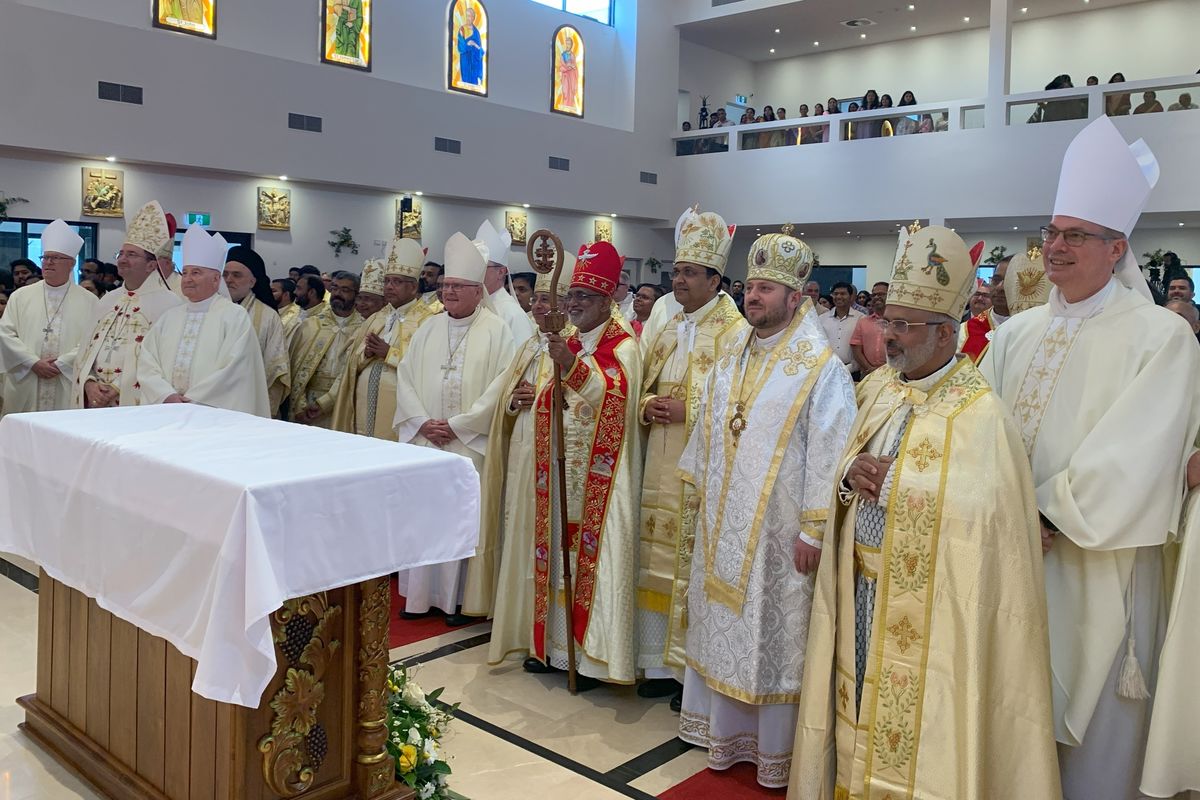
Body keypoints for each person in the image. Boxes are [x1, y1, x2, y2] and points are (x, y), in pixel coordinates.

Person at [790, 223, 1061, 800]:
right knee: (856, 701)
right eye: (888, 321)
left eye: (903, 326)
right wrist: (849, 473)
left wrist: (898, 485)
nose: (888, 337)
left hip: (933, 613)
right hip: (859, 588)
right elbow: (845, 463)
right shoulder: (879, 389)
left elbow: (989, 516)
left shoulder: (979, 411)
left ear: (946, 332)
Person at [979, 116, 1200, 800]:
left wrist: (1042, 515)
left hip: (1098, 563)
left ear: (1117, 248)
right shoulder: (1016, 332)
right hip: (1012, 555)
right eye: (1051, 232)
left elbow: (1138, 453)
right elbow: (973, 426)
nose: (1056, 247)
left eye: (1076, 234)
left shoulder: (1160, 337)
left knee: (1097, 745)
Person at [678, 226, 855, 788]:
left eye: (767, 289)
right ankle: (721, 735)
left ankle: (771, 750)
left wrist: (814, 530)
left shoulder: (819, 367)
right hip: (722, 519)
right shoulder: (731, 355)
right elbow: (711, 426)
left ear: (796, 298)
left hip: (781, 536)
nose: (753, 297)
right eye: (750, 287)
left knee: (771, 634)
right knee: (723, 622)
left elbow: (831, 449)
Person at [505, 240, 641, 689]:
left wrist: (573, 370)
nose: (575, 305)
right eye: (572, 297)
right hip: (561, 473)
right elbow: (550, 393)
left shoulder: (623, 344)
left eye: (584, 297)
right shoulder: (570, 339)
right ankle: (554, 649)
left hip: (602, 480)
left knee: (591, 561)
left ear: (607, 300)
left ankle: (593, 659)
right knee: (556, 556)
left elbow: (618, 400)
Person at [636, 208, 748, 708]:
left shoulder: (735, 332)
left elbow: (743, 404)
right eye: (675, 272)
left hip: (701, 469)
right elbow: (642, 384)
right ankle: (655, 662)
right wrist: (647, 405)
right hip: (658, 456)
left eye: (688, 273)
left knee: (690, 563)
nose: (677, 280)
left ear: (714, 279)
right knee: (653, 556)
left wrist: (689, 408)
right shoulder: (667, 324)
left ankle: (688, 672)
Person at [394, 232, 516, 626]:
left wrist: (460, 426)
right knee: (423, 519)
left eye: (457, 287)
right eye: (444, 285)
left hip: (467, 447)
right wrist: (421, 421)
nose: (447, 292)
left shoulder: (498, 332)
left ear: (478, 291)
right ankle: (420, 597)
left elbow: (502, 384)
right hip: (426, 442)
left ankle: (458, 601)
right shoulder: (428, 329)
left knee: (462, 523)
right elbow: (406, 377)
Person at [483, 265, 575, 658]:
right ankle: (518, 625)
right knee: (518, 535)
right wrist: (513, 401)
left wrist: (534, 399)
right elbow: (506, 396)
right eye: (537, 299)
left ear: (568, 305)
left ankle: (544, 635)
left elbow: (578, 400)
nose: (540, 306)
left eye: (549, 299)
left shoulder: (575, 347)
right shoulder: (528, 346)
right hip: (522, 452)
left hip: (551, 461)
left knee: (544, 543)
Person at [137, 226, 269, 416]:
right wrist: (166, 395)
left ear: (216, 279)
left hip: (211, 413)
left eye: (196, 272)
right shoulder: (169, 317)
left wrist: (194, 400)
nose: (188, 279)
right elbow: (147, 360)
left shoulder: (234, 316)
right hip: (166, 409)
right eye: (185, 272)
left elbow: (235, 369)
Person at [73, 201, 182, 408]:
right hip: (95, 399)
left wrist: (117, 387)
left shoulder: (170, 304)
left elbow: (165, 362)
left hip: (133, 404)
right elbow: (85, 350)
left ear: (152, 265)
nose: (122, 259)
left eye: (131, 255)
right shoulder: (108, 299)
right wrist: (88, 382)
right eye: (121, 254)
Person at [331, 237, 437, 440]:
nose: (389, 287)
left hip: (400, 405)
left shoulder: (428, 320)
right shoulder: (377, 318)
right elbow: (353, 361)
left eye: (397, 282)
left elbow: (429, 367)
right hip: (363, 402)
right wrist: (366, 354)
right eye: (387, 281)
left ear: (413, 287)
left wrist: (389, 353)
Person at [0, 220, 97, 415]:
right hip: (26, 379)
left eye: (55, 258)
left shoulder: (90, 301)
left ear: (71, 263)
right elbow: (6, 333)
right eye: (45, 257)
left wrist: (62, 364)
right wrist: (32, 362)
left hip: (65, 380)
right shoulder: (21, 296)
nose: (48, 262)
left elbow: (92, 341)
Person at [287, 271, 364, 427]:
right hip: (308, 403)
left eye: (345, 290)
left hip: (343, 402)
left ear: (356, 294)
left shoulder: (363, 328)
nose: (337, 293)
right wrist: (299, 406)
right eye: (334, 288)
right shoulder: (311, 325)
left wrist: (326, 403)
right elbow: (294, 368)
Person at [224, 245, 290, 416]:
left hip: (251, 402)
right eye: (225, 274)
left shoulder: (268, 317)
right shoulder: (212, 311)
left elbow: (275, 370)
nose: (229, 279)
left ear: (253, 281)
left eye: (236, 275)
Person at [476, 220, 536, 345]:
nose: (475, 272)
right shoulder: (473, 306)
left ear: (501, 272)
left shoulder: (513, 315)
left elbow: (520, 361)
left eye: (482, 267)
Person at [959, 255, 1011, 362]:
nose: (1000, 287)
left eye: (1010, 280)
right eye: (996, 280)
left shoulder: (1034, 330)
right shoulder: (964, 332)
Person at [820, 281, 865, 379]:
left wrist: (850, 367)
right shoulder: (822, 319)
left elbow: (863, 347)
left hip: (852, 371)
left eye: (843, 294)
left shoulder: (861, 318)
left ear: (851, 296)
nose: (839, 297)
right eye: (835, 294)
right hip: (827, 370)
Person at [849, 281, 887, 376]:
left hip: (893, 374)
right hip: (868, 373)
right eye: (874, 295)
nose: (877, 297)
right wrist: (869, 368)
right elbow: (856, 348)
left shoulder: (898, 322)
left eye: (881, 294)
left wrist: (888, 371)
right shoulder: (863, 322)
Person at [154, 213, 183, 298]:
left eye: (155, 261)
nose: (151, 265)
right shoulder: (147, 281)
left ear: (167, 263)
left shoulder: (183, 286)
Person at [456, 6, 485, 86]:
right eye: (468, 16)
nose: (469, 18)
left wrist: (474, 44)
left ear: (474, 18)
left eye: (471, 16)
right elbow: (460, 48)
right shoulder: (462, 29)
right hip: (465, 60)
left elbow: (480, 51)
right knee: (466, 82)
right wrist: (468, 44)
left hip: (474, 63)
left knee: (474, 83)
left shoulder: (476, 32)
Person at [272, 278, 303, 344]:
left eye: (273, 291)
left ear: (286, 295)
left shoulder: (295, 317)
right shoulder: (272, 310)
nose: (269, 294)